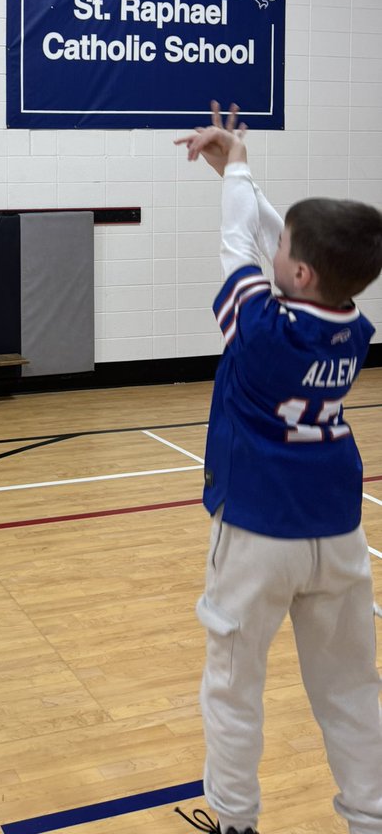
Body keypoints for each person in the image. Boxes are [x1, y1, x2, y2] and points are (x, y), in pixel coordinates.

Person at [173, 101, 382, 834]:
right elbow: (272, 236)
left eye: (285, 247)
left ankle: (235, 822)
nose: (273, 245)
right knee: (353, 689)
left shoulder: (262, 330)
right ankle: (370, 818)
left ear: (297, 271)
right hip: (337, 533)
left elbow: (241, 238)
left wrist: (239, 167)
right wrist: (237, 169)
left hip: (260, 533)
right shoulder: (355, 326)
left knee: (233, 688)